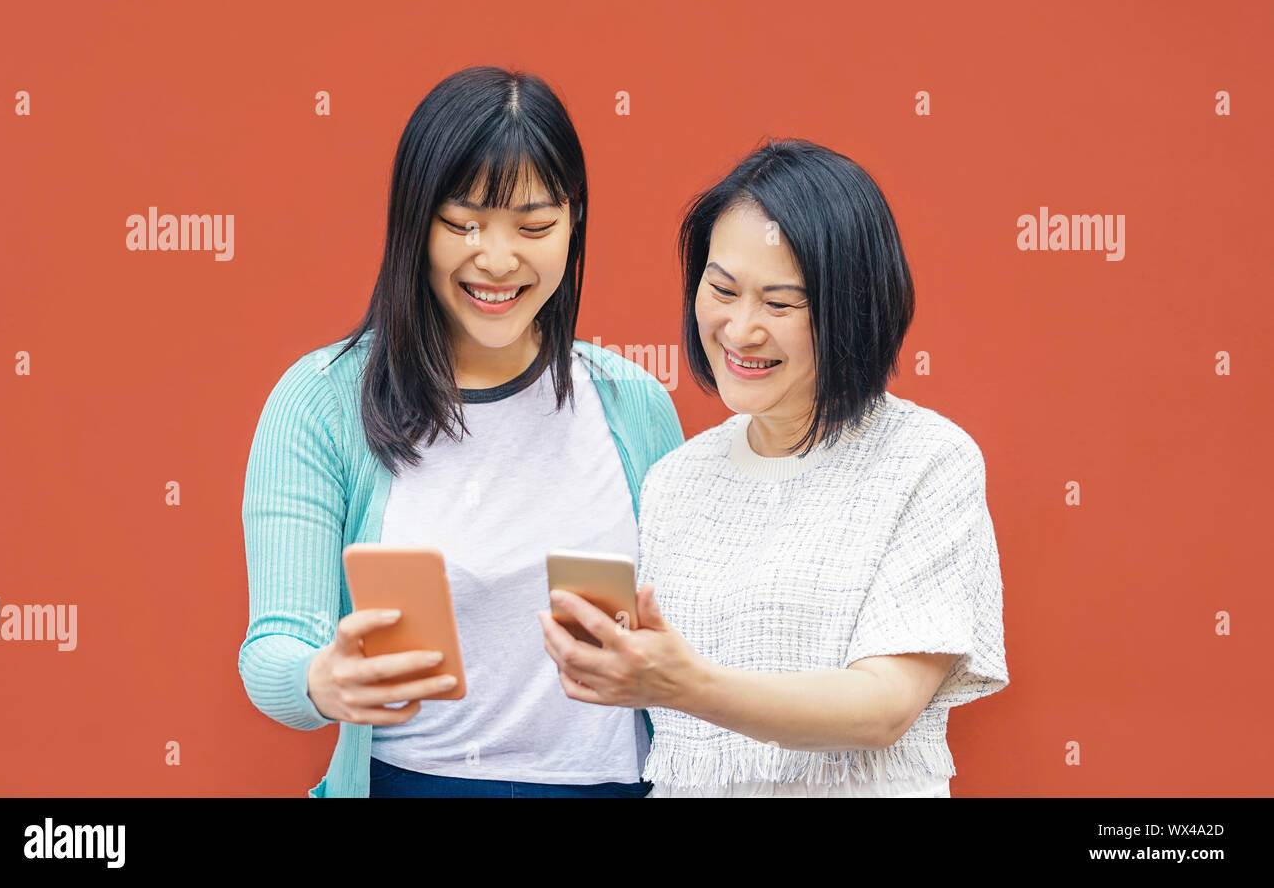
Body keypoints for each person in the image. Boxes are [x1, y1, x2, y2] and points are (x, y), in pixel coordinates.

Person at [239, 65, 683, 797]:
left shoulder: (631, 399)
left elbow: (685, 637)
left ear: (574, 222)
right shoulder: (321, 401)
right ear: (415, 223)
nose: (499, 259)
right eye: (464, 223)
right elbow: (272, 649)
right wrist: (321, 678)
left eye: (535, 225)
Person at [539, 138, 1009, 797]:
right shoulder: (676, 480)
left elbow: (882, 708)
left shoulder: (928, 461)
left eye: (780, 304)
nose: (740, 328)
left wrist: (686, 684)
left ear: (853, 309)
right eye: (722, 289)